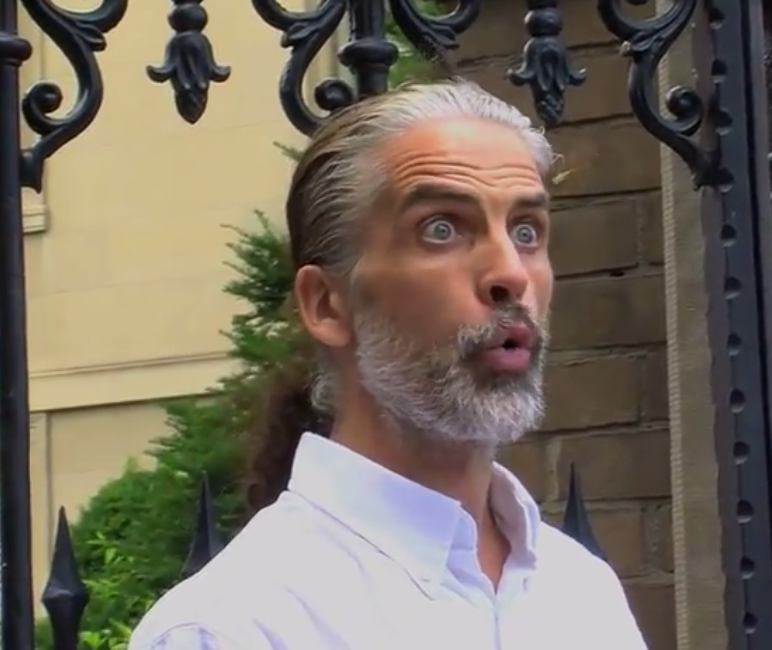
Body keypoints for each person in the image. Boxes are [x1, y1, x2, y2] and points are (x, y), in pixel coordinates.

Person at [128, 80, 648, 650]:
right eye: (441, 229)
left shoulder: (581, 591)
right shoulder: (232, 627)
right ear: (327, 305)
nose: (510, 273)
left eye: (526, 232)